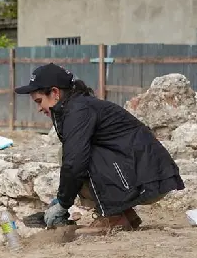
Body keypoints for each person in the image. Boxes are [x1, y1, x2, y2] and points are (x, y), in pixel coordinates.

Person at [14, 63, 185, 235]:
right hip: (148, 175)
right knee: (69, 153)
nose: (39, 108)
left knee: (77, 156)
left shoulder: (79, 110)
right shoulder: (74, 108)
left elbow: (74, 162)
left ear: (55, 93)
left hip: (150, 178)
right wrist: (61, 200)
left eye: (39, 101)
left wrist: (62, 204)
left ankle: (113, 216)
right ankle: (123, 214)